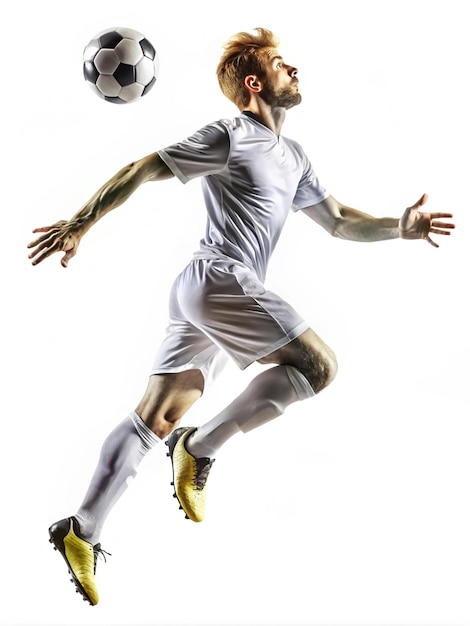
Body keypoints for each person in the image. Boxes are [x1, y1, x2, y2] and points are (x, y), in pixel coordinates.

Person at [28, 27, 454, 606]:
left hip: (204, 294)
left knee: (152, 419)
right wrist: (81, 222)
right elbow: (143, 167)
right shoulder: (232, 135)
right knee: (318, 366)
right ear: (255, 84)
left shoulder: (295, 156)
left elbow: (337, 220)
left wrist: (397, 228)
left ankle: (82, 530)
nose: (294, 70)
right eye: (282, 64)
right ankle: (199, 448)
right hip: (220, 279)